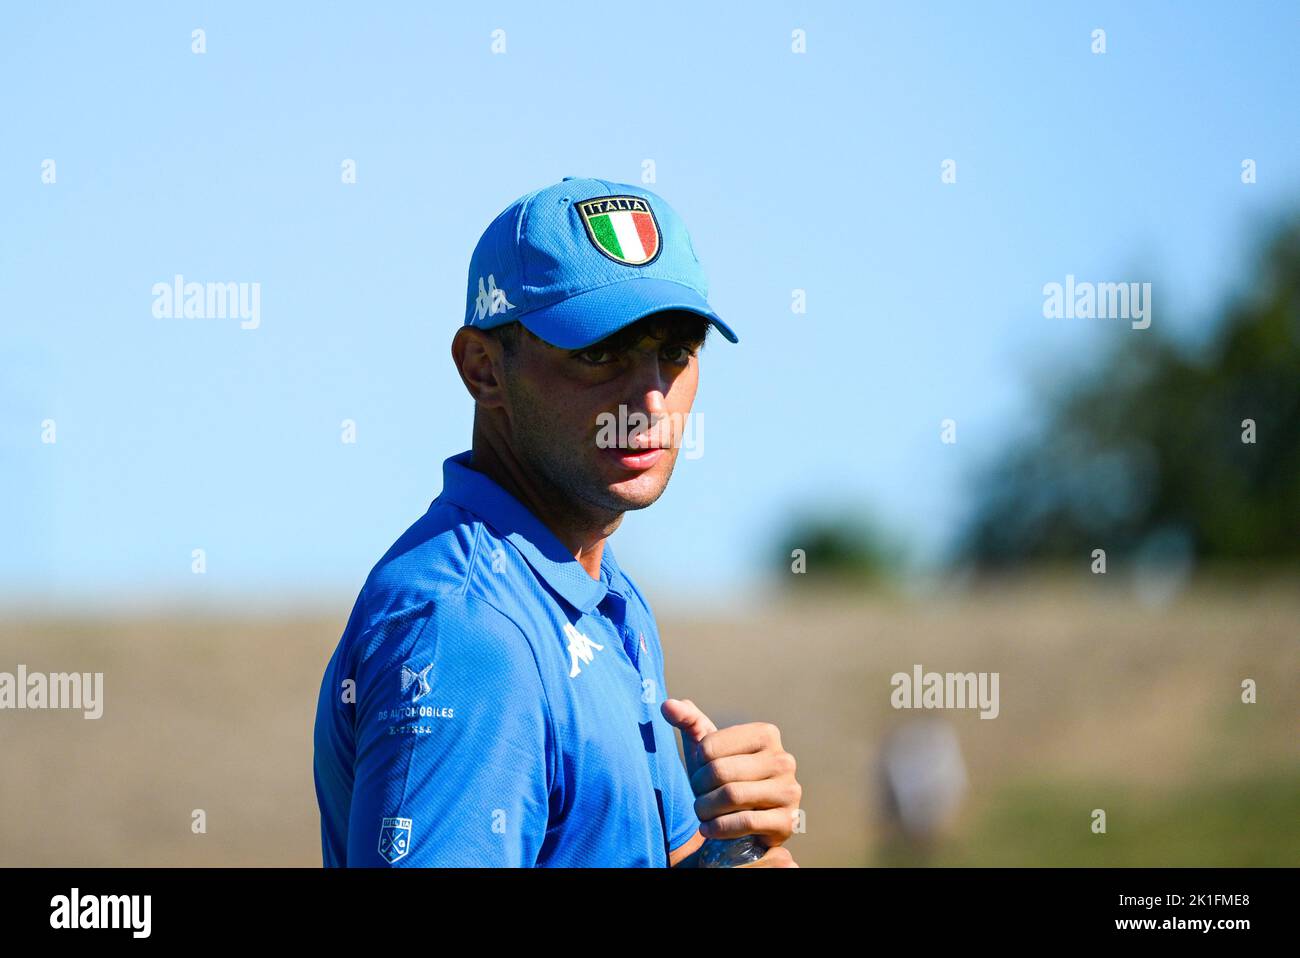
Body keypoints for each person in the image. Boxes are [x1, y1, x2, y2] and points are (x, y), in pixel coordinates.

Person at [312, 176, 801, 866]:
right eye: (599, 353)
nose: (651, 399)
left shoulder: (603, 595)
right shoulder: (466, 628)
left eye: (677, 351)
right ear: (483, 369)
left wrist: (743, 844)